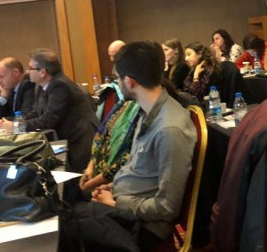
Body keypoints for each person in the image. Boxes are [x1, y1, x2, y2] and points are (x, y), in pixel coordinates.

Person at [81, 41, 196, 251]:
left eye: (117, 78)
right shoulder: (146, 112)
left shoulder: (169, 129)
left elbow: (166, 208)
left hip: (143, 227)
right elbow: (140, 171)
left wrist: (116, 203)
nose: (117, 83)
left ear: (129, 81)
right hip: (126, 207)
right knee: (69, 216)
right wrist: (113, 188)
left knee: (70, 234)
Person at [0, 48, 98, 172]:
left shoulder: (60, 85)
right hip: (65, 137)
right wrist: (14, 123)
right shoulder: (40, 86)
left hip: (79, 137)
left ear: (42, 72)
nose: (27, 71)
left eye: (31, 68)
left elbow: (49, 119)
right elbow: (35, 112)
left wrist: (17, 127)